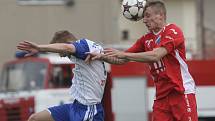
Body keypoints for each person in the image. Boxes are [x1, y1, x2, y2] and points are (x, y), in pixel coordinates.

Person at [87, 0, 198, 121]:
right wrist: (101, 56)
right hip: (161, 97)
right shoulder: (145, 39)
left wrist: (124, 55)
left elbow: (156, 55)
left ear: (160, 15)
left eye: (148, 16)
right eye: (143, 16)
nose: (144, 20)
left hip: (181, 93)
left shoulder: (173, 31)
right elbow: (121, 59)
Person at [17, 30, 107, 121]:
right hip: (75, 107)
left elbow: (67, 48)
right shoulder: (86, 49)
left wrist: (39, 48)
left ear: (69, 43)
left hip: (89, 109)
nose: (61, 56)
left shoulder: (83, 45)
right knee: (34, 119)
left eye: (61, 53)